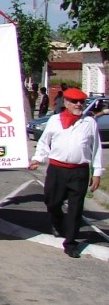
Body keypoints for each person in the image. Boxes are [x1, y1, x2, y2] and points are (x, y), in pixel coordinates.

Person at [29, 86, 103, 258]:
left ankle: (70, 242)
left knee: (76, 208)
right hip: (57, 170)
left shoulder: (89, 122)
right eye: (74, 101)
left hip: (79, 172)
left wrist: (97, 172)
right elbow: (44, 142)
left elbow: (96, 149)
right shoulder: (54, 121)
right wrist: (37, 159)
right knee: (52, 201)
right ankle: (58, 223)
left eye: (81, 102)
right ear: (66, 103)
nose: (79, 104)